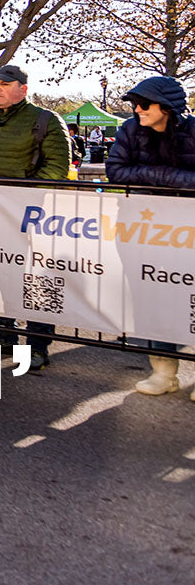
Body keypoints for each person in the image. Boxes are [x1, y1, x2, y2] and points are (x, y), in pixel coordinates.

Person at [0, 64, 70, 371]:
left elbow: (56, 169)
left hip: (30, 216)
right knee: (0, 272)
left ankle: (38, 345)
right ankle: (3, 334)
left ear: (23, 89)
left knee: (36, 278)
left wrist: (20, 196)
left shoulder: (45, 120)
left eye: (5, 84)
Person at [104, 76, 195, 401]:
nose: (137, 109)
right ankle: (164, 372)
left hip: (188, 233)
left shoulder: (193, 131)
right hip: (143, 232)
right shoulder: (130, 129)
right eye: (135, 103)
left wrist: (157, 179)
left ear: (166, 107)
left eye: (144, 103)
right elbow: (114, 169)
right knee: (151, 299)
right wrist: (168, 179)